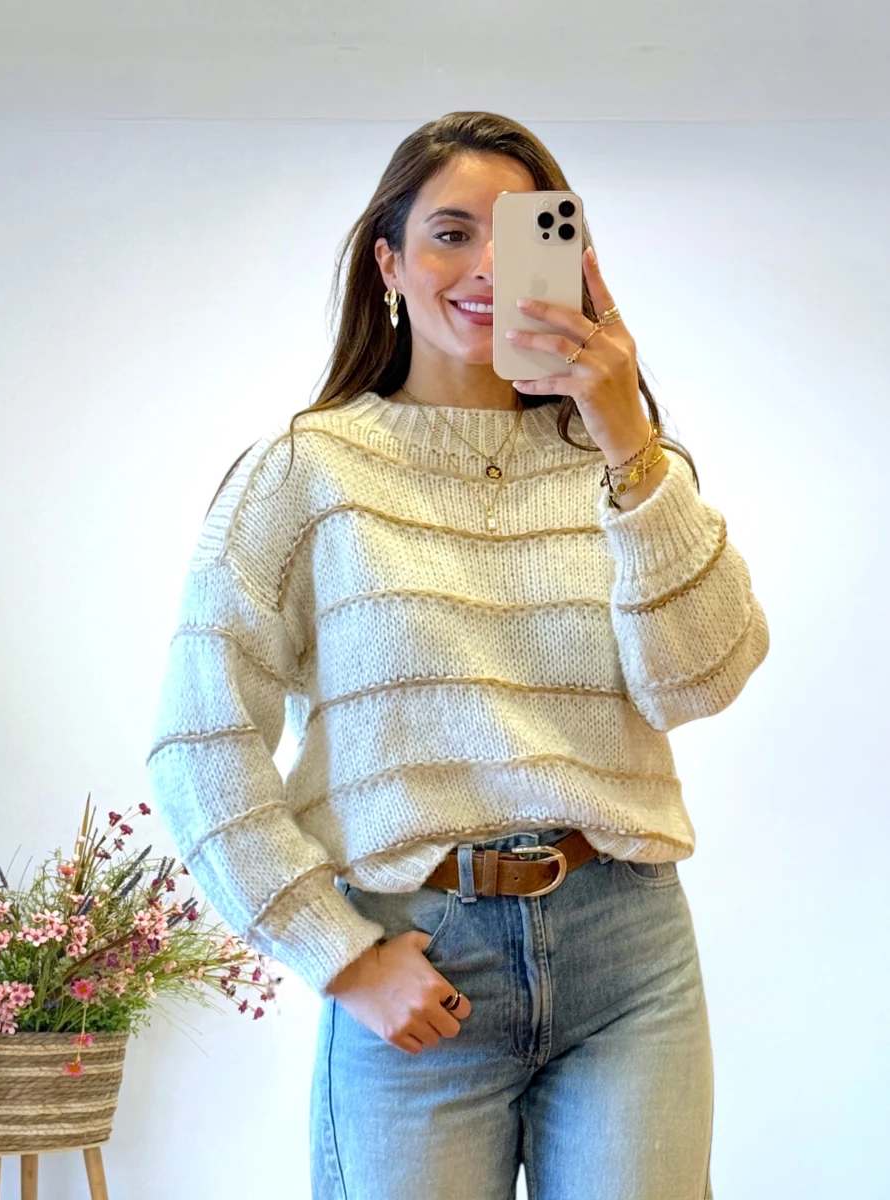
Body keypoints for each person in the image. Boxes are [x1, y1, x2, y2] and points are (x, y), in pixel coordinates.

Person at [146, 111, 769, 1200]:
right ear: (388, 263)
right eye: (450, 234)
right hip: (415, 957)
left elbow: (701, 678)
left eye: (523, 234)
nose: (487, 266)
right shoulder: (307, 472)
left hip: (628, 954)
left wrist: (627, 437)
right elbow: (198, 738)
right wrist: (339, 956)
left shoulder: (623, 461)